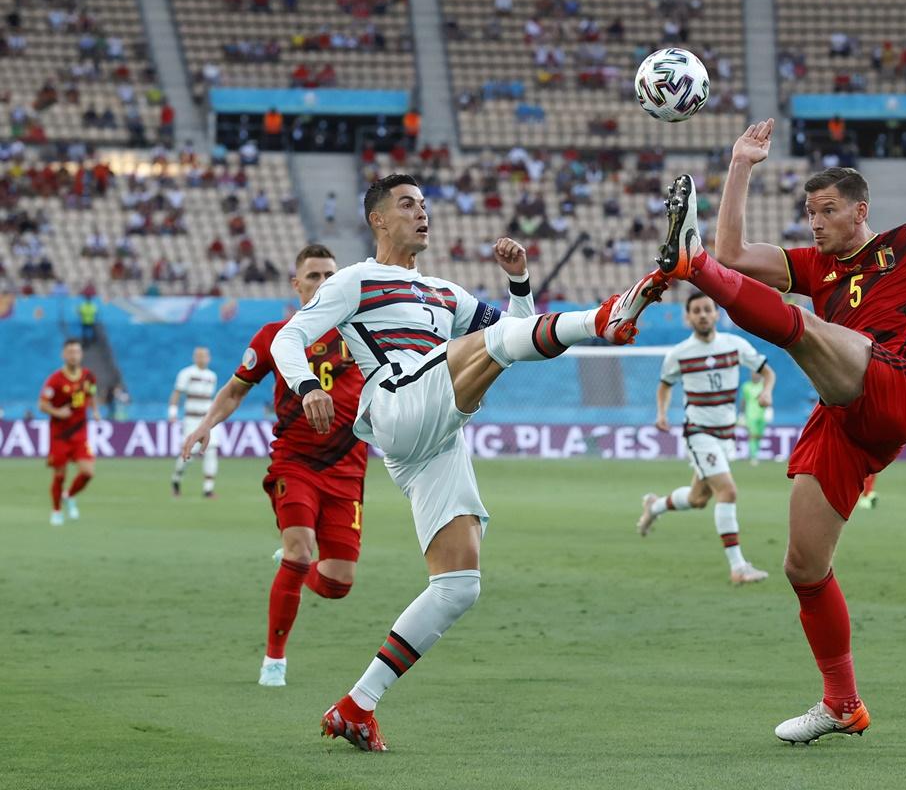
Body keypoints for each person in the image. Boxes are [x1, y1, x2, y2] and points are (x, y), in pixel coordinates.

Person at [269, 174, 668, 751]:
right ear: (378, 220)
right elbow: (289, 337)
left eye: (425, 205)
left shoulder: (445, 293)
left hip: (437, 437)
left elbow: (515, 331)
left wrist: (519, 281)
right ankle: (603, 320)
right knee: (495, 346)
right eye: (408, 205)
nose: (422, 214)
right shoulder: (354, 281)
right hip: (398, 401)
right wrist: (308, 384)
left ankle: (358, 704)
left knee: (458, 585)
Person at [652, 118, 906, 745]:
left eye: (826, 211)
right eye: (808, 211)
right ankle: (842, 703)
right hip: (841, 416)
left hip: (897, 386)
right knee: (803, 566)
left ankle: (692, 268)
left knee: (804, 325)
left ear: (859, 211)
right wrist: (740, 166)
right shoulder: (816, 264)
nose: (815, 222)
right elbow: (737, 254)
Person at [181, 245, 367, 688]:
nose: (322, 283)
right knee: (302, 550)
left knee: (339, 583)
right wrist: (205, 424)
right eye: (314, 276)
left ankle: (293, 568)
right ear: (296, 284)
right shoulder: (275, 336)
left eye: (330, 275)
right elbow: (234, 390)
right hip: (295, 463)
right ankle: (274, 660)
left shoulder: (363, 336)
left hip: (347, 467)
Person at [636, 292, 775, 585]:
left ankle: (654, 506)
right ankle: (738, 567)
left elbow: (767, 372)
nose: (702, 314)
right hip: (699, 433)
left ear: (715, 314)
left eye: (707, 309)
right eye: (696, 310)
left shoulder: (735, 345)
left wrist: (766, 391)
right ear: (688, 317)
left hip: (726, 434)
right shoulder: (679, 354)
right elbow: (664, 386)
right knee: (728, 492)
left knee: (699, 498)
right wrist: (661, 413)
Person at [39, 339, 101, 525]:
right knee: (60, 475)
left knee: (88, 472)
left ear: (81, 355)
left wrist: (95, 410)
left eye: (77, 352)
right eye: (70, 352)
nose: (74, 356)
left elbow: (91, 394)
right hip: (59, 434)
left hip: (80, 432)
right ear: (64, 355)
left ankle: (69, 495)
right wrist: (57, 412)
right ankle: (56, 511)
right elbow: (42, 405)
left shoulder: (89, 376)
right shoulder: (55, 379)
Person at [168, 347, 219, 497]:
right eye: (199, 356)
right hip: (191, 419)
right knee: (190, 453)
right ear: (194, 357)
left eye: (204, 356)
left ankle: (208, 489)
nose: (202, 359)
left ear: (209, 358)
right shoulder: (186, 373)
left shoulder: (212, 376)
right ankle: (176, 478)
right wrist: (172, 413)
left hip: (207, 420)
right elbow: (177, 393)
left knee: (212, 451)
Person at [740, 368, 773, 466]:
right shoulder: (746, 386)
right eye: (753, 373)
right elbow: (744, 401)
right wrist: (741, 414)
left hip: (762, 414)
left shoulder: (763, 385)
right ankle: (753, 457)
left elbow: (768, 397)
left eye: (756, 373)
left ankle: (756, 454)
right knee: (753, 435)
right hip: (750, 415)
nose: (754, 375)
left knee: (759, 435)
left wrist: (769, 410)